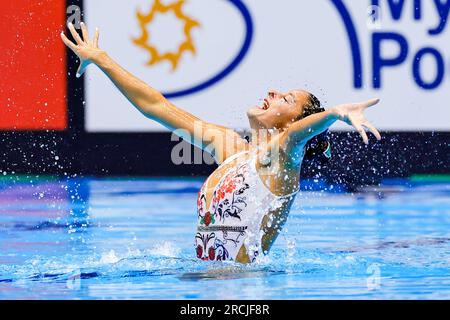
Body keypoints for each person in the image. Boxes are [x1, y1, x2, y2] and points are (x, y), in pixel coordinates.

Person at [61, 22, 381, 263]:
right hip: (205, 285)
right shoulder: (229, 147)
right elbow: (156, 107)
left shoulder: (281, 161)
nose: (271, 92)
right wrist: (102, 60)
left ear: (292, 123)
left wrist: (336, 113)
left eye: (285, 98)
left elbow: (296, 135)